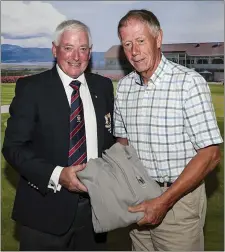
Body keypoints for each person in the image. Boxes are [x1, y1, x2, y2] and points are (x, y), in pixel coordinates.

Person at [114, 9, 223, 251]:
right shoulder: (124, 88)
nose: (134, 51)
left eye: (141, 41)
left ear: (158, 38)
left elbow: (211, 155)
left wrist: (163, 202)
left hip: (178, 205)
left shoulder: (188, 83)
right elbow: (122, 144)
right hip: (138, 201)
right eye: (127, 44)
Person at [2, 19, 115, 251]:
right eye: (68, 48)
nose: (76, 56)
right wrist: (57, 175)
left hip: (96, 214)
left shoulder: (103, 87)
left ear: (90, 52)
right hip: (44, 213)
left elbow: (110, 141)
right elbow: (14, 147)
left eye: (83, 49)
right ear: (55, 50)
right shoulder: (32, 88)